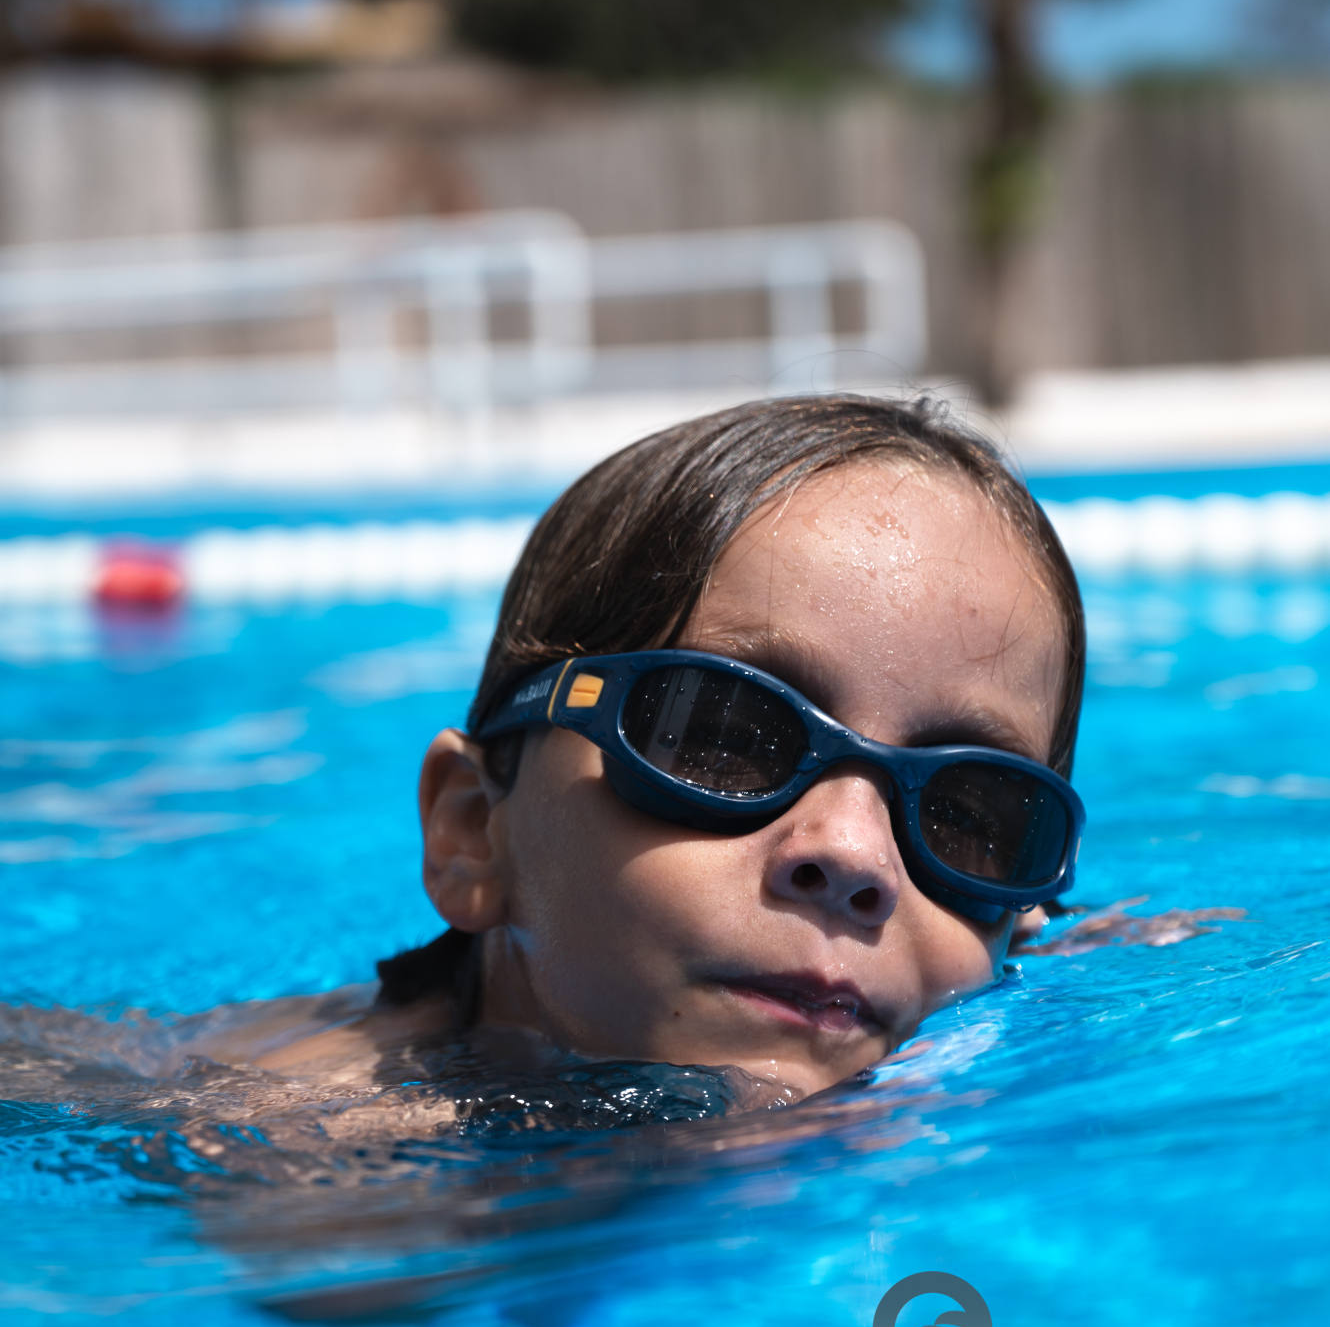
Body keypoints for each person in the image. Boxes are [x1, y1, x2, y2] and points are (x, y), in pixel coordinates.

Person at [196, 393, 1087, 1108]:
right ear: (472, 831)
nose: (856, 858)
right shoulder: (309, 1161)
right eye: (724, 740)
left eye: (970, 816)